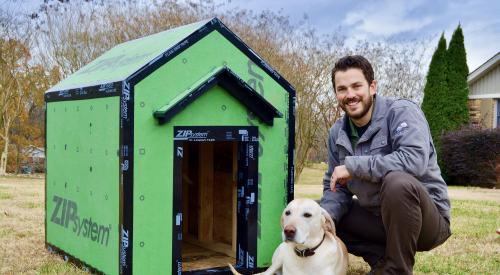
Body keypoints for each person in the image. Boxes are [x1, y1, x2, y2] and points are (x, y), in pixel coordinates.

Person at [320, 55, 451, 275]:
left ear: (372, 87)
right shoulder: (337, 133)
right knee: (320, 213)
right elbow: (336, 188)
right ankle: (382, 260)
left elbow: (414, 161)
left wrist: (354, 166)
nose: (350, 95)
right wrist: (324, 221)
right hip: (379, 220)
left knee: (397, 182)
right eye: (342, 89)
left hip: (426, 222)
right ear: (336, 94)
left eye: (356, 86)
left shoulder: (401, 112)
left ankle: (397, 270)